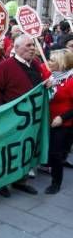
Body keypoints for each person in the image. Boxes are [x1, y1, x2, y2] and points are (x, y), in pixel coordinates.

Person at [0, 34, 52, 197]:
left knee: (26, 150)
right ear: (16, 48)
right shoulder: (5, 66)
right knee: (7, 151)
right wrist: (4, 115)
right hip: (12, 119)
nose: (32, 48)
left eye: (33, 45)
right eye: (28, 45)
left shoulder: (37, 65)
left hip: (30, 119)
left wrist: (47, 85)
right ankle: (2, 182)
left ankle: (20, 180)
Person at [44, 49, 73, 194]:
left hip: (65, 125)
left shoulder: (71, 80)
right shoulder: (53, 78)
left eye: (53, 60)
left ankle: (56, 183)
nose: (49, 62)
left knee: (56, 153)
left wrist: (62, 118)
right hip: (49, 121)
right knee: (52, 152)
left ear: (62, 63)